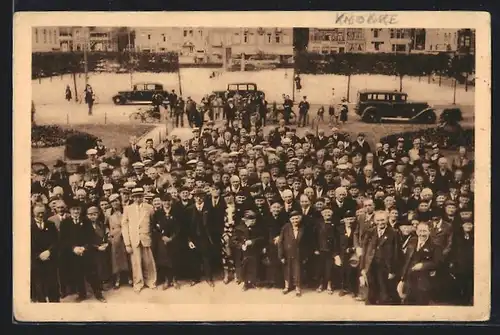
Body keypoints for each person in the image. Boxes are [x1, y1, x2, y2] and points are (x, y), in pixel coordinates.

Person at [59, 201, 106, 302]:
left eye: (77, 209)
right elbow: (63, 240)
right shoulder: (65, 223)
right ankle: (82, 294)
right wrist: (73, 248)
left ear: (80, 210)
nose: (76, 211)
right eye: (73, 209)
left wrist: (84, 248)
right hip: (73, 254)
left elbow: (91, 237)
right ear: (70, 210)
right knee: (77, 274)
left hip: (86, 252)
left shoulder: (86, 222)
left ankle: (98, 294)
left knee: (92, 274)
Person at [121, 187, 157, 293]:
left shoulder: (149, 208)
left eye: (140, 196)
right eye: (135, 197)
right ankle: (138, 283)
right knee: (136, 262)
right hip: (134, 239)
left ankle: (151, 281)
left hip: (146, 237)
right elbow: (124, 226)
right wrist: (127, 243)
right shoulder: (128, 208)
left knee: (148, 261)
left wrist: (149, 235)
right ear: (132, 197)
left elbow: (153, 222)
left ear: (143, 196)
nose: (138, 198)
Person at [359, 210, 399, 305]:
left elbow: (396, 253)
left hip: (385, 266)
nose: (380, 222)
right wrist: (362, 267)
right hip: (371, 265)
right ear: (375, 220)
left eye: (383, 220)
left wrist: (392, 270)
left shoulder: (393, 233)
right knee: (371, 289)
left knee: (384, 290)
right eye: (378, 220)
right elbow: (364, 251)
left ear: (387, 219)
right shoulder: (370, 232)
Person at [398, 221, 442, 305]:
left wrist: (423, 265)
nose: (422, 234)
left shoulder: (435, 245)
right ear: (416, 231)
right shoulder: (412, 241)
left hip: (424, 283)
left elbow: (438, 263)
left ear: (429, 231)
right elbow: (407, 261)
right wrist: (402, 279)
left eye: (424, 231)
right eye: (420, 231)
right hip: (409, 281)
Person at [278, 211, 313, 297]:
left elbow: (307, 244)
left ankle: (297, 287)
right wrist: (281, 255)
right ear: (290, 220)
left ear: (300, 218)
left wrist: (305, 256)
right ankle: (287, 286)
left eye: (297, 218)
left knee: (298, 271)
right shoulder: (285, 228)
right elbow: (280, 242)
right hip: (287, 253)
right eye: (293, 219)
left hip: (299, 254)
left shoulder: (303, 228)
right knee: (287, 270)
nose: (295, 220)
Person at [31, 204, 60, 302]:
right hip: (36, 262)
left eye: (42, 213)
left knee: (53, 287)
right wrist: (38, 255)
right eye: (38, 213)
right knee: (39, 289)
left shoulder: (50, 225)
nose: (40, 215)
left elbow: (56, 241)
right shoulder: (28, 226)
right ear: (33, 213)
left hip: (50, 260)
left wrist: (49, 251)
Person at [152, 193, 181, 289]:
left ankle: (174, 280)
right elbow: (154, 228)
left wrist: (172, 238)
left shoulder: (176, 212)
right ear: (162, 202)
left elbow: (179, 227)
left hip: (174, 240)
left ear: (171, 201)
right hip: (162, 240)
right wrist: (162, 237)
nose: (166, 203)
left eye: (168, 201)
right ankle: (166, 280)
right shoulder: (158, 213)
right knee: (164, 260)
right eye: (164, 201)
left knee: (174, 259)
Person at [187, 188, 215, 287]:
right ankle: (195, 278)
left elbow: (213, 224)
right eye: (196, 196)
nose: (199, 198)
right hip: (194, 237)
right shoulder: (189, 209)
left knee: (206, 258)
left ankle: (209, 278)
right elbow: (186, 226)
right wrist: (189, 240)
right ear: (194, 198)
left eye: (201, 196)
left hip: (205, 237)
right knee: (194, 258)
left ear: (204, 197)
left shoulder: (209, 208)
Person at [231, 210, 266, 291]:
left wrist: (253, 241)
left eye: (254, 220)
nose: (253, 222)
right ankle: (246, 283)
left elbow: (262, 238)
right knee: (244, 267)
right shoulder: (239, 228)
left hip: (254, 251)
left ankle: (253, 282)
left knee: (254, 266)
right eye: (251, 220)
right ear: (245, 220)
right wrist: (241, 244)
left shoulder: (258, 228)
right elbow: (233, 240)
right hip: (243, 252)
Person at [105, 194, 131, 289]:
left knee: (127, 256)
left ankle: (129, 277)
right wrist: (109, 233)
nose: (114, 203)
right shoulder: (108, 213)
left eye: (116, 200)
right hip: (115, 236)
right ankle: (118, 279)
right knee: (116, 258)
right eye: (112, 202)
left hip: (125, 235)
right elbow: (105, 225)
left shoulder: (125, 210)